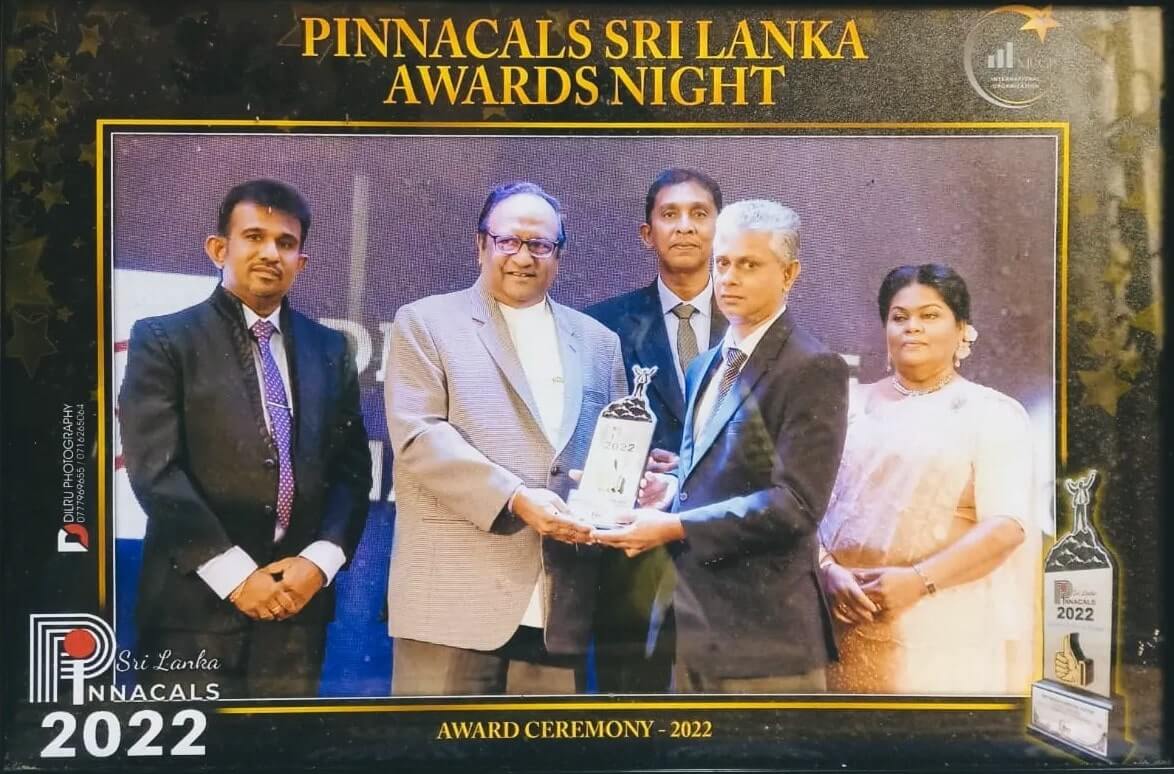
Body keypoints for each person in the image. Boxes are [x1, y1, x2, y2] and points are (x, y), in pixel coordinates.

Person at [118, 179, 372, 698]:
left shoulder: (330, 349)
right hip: (192, 612)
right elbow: (155, 471)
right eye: (254, 237)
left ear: (302, 261)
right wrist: (237, 577)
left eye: (285, 242)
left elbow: (351, 472)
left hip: (297, 611)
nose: (270, 253)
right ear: (219, 249)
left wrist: (318, 563)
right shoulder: (164, 339)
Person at [594, 199, 848, 692]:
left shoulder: (813, 367)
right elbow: (714, 478)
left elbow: (795, 505)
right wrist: (669, 489)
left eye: (749, 265)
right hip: (689, 628)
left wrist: (674, 525)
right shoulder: (704, 365)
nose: (729, 278)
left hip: (765, 638)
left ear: (789, 274)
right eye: (723, 263)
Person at [385, 181, 626, 695]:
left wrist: (635, 478)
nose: (523, 257)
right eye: (509, 241)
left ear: (559, 255)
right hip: (450, 608)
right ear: (481, 245)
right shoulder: (425, 323)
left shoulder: (599, 344)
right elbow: (420, 436)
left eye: (539, 245)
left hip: (558, 611)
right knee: (434, 746)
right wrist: (515, 497)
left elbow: (611, 454)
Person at [817, 263, 1039, 694]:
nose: (912, 327)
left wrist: (916, 581)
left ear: (962, 330)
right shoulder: (848, 406)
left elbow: (1006, 526)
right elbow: (803, 504)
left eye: (930, 315)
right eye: (899, 317)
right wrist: (826, 570)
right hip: (843, 615)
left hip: (941, 626)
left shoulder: (991, 413)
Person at [584, 169, 728, 693]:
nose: (685, 226)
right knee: (629, 711)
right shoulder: (600, 326)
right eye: (670, 215)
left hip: (724, 553)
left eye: (699, 214)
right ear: (648, 234)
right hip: (630, 557)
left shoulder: (753, 327)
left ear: (720, 229)